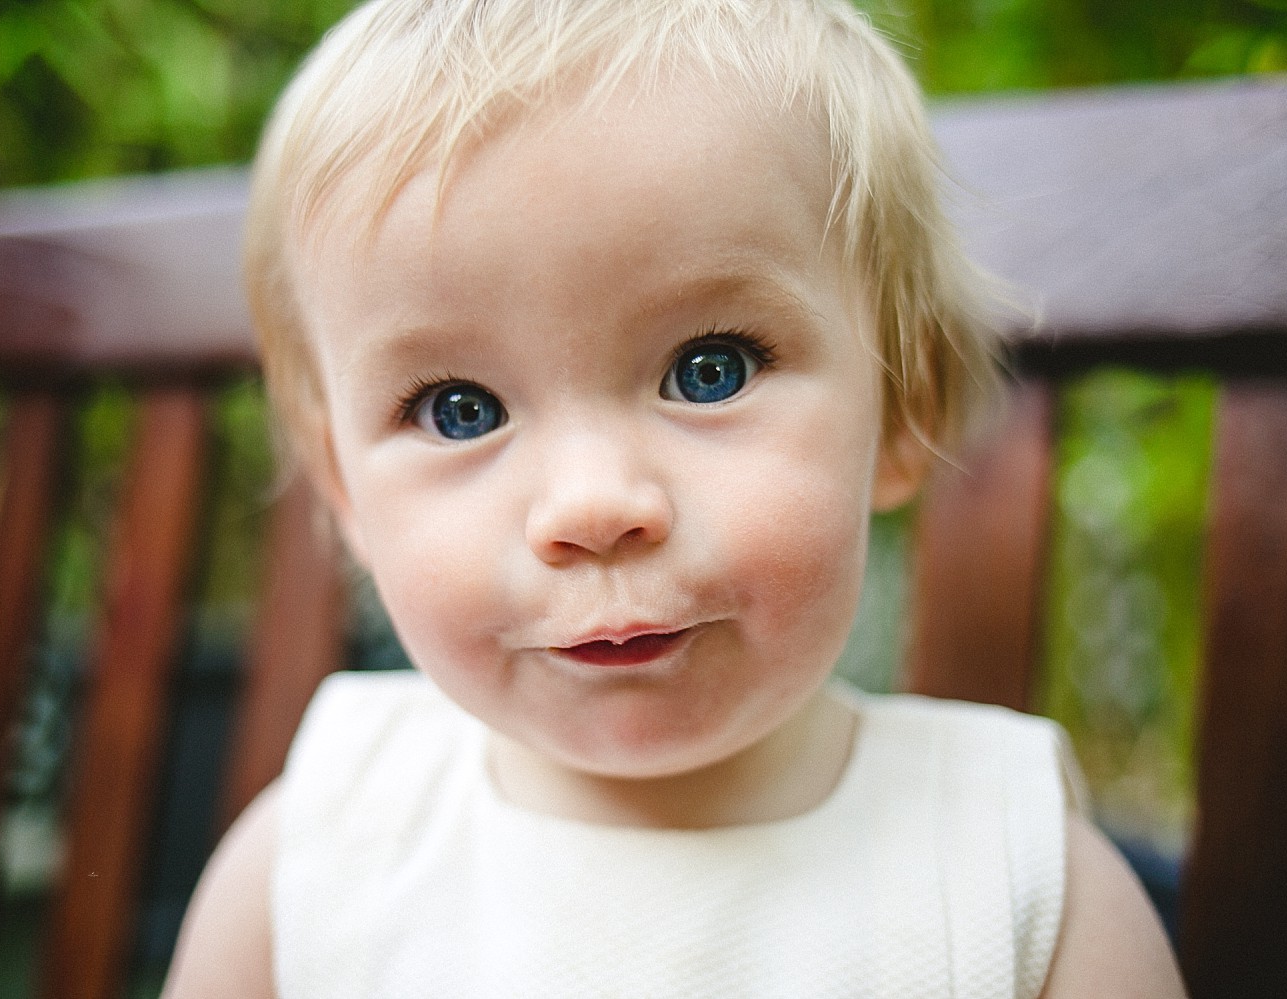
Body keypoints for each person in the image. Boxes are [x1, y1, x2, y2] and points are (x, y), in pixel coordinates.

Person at [164, 1, 1185, 995]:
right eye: (460, 409)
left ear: (901, 406)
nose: (593, 506)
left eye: (711, 370)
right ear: (344, 485)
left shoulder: (1010, 881)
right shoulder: (319, 856)